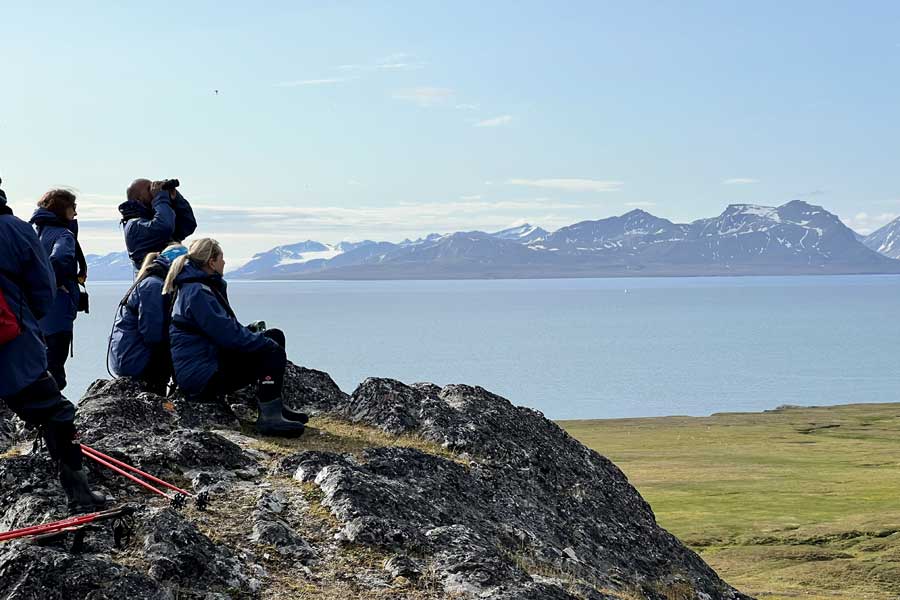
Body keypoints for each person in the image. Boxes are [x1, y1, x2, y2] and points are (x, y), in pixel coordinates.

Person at [0, 180, 106, 512]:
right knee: (57, 411)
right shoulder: (16, 231)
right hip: (12, 347)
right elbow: (44, 289)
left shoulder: (31, 228)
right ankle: (80, 495)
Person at [163, 238, 306, 437]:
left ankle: (274, 405)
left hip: (205, 363)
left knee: (274, 336)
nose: (224, 263)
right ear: (211, 262)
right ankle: (269, 419)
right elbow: (228, 336)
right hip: (202, 377)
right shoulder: (198, 292)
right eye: (221, 258)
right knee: (271, 350)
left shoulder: (198, 287)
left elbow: (222, 330)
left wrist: (252, 333)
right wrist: (260, 341)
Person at [108, 244, 187, 395]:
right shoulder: (154, 286)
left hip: (130, 354)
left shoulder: (153, 281)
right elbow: (152, 333)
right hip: (136, 360)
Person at [29, 190, 80, 391]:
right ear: (62, 209)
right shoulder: (63, 234)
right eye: (73, 208)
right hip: (58, 310)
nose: (75, 213)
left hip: (34, 310)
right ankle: (54, 414)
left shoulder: (34, 232)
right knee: (56, 366)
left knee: (38, 362)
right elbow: (60, 258)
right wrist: (54, 281)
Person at [118, 179, 197, 270]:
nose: (154, 191)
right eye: (149, 189)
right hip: (155, 280)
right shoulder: (133, 226)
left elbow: (188, 225)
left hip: (171, 277)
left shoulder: (157, 216)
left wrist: (176, 198)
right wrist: (160, 198)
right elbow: (164, 227)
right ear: (139, 199)